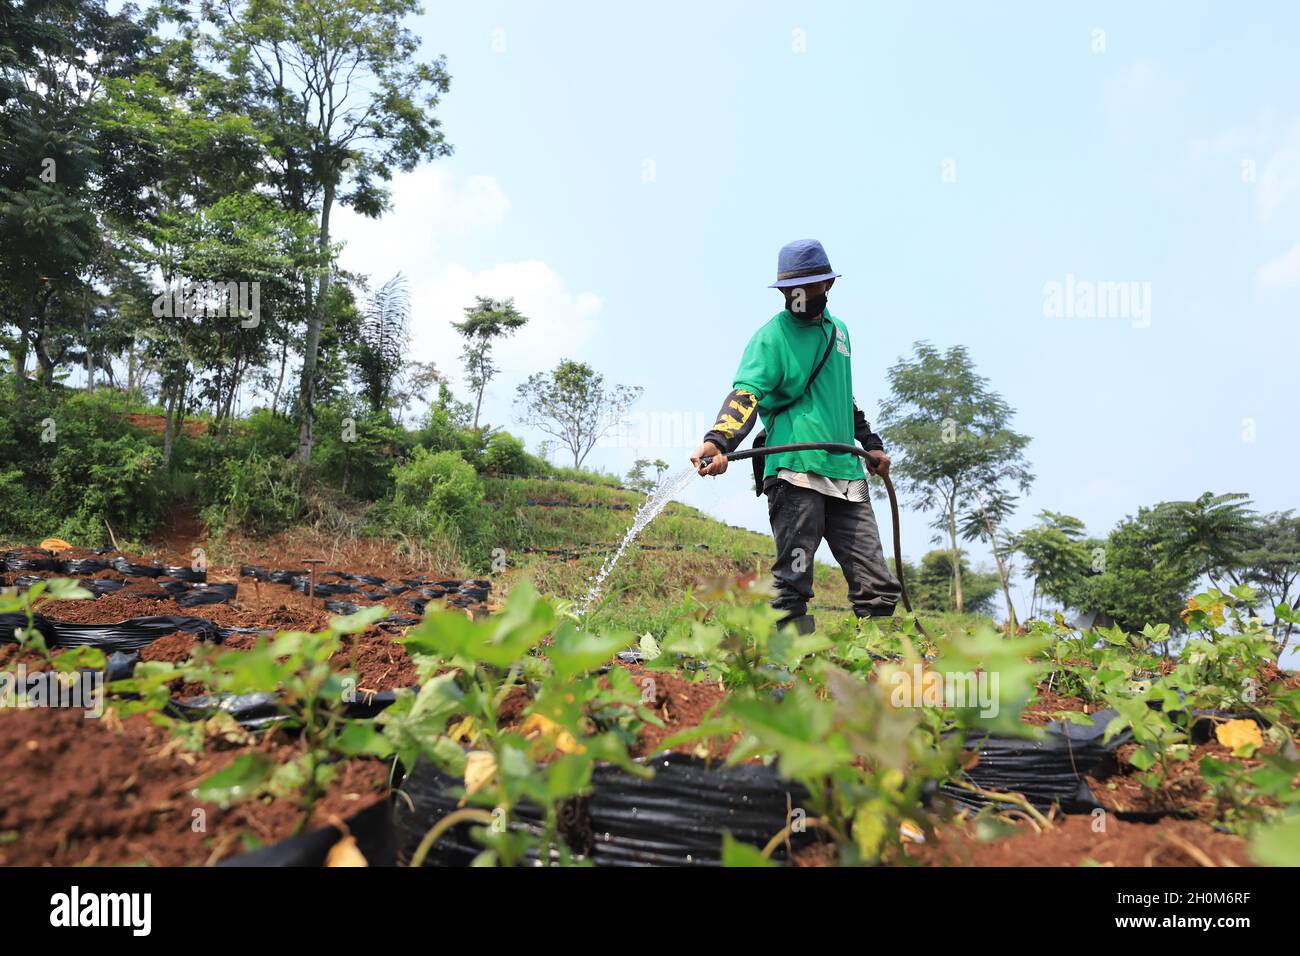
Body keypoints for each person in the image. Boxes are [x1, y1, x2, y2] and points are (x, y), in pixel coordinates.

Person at [690, 239, 902, 633]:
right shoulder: (771, 338)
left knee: (876, 581)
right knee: (793, 579)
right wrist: (719, 441)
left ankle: (878, 662)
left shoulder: (840, 333)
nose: (801, 297)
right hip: (795, 472)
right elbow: (747, 393)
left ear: (828, 286)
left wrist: (871, 444)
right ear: (785, 292)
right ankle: (789, 668)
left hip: (846, 472)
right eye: (794, 291)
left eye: (811, 288)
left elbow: (842, 396)